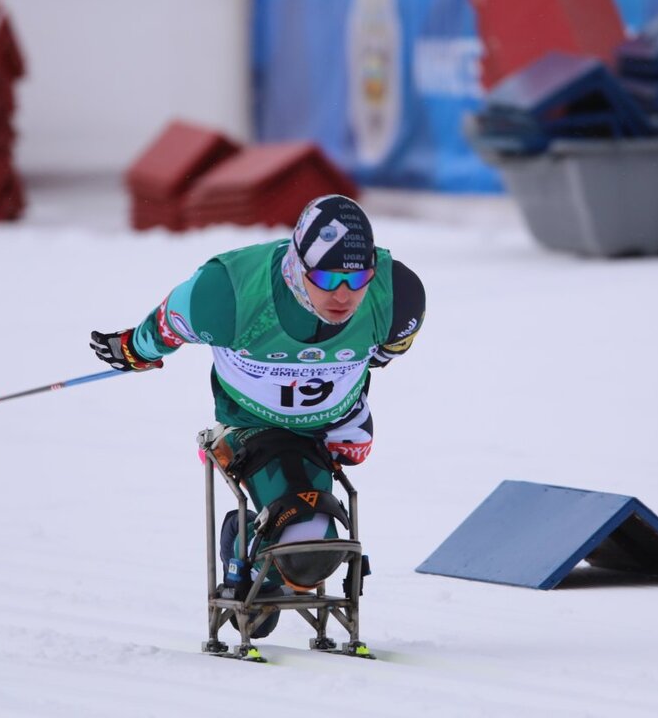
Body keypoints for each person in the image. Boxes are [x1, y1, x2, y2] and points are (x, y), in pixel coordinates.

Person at [90, 194, 425, 637]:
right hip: (252, 422)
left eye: (357, 278)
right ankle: (249, 544)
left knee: (320, 537)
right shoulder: (226, 293)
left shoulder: (399, 295)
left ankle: (264, 534)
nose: (343, 295)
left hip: (332, 423)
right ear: (298, 262)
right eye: (326, 277)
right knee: (307, 552)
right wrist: (135, 349)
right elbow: (168, 324)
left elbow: (379, 357)